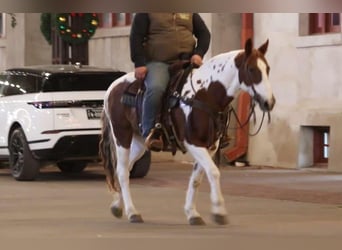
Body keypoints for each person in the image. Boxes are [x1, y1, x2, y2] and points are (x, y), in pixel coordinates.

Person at [129, 13, 211, 151]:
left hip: (186, 62)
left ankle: (213, 130)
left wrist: (199, 53)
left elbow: (204, 34)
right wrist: (139, 63)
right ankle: (150, 132)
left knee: (208, 88)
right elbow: (136, 37)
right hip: (159, 62)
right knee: (156, 88)